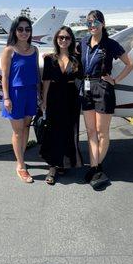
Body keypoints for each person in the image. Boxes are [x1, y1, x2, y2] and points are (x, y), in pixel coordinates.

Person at [78, 10, 133, 190]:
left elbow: (130, 64)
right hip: (86, 88)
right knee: (90, 131)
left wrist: (115, 80)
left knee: (102, 132)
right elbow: (68, 53)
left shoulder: (110, 44)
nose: (92, 26)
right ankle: (95, 165)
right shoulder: (83, 43)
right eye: (89, 23)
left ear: (103, 23)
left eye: (95, 22)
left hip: (103, 89)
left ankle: (95, 166)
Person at [40, 26, 83, 185]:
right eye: (61, 38)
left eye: (67, 38)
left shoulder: (77, 59)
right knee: (53, 132)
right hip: (54, 98)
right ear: (56, 40)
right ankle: (52, 167)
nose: (64, 40)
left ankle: (64, 162)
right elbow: (45, 81)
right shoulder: (49, 58)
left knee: (69, 131)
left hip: (72, 99)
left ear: (72, 40)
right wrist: (43, 100)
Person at [1, 16, 40, 183]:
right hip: (16, 94)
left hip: (31, 93)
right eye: (21, 29)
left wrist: (40, 94)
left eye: (27, 29)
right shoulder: (9, 50)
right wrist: (7, 97)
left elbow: (37, 74)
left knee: (26, 127)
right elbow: (5, 76)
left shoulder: (35, 49)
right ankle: (21, 166)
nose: (24, 32)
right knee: (17, 132)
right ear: (15, 31)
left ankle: (21, 158)